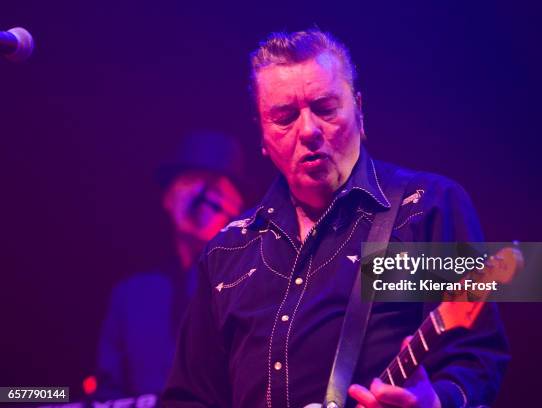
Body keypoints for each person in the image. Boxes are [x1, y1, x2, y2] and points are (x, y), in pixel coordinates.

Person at [162, 30, 509, 408]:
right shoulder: (228, 251)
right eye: (284, 117)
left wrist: (438, 401)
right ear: (262, 134)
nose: (309, 130)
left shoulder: (426, 208)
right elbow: (190, 397)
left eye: (325, 108)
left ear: (359, 110)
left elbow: (476, 358)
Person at [95, 132, 245, 400]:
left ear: (237, 207)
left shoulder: (252, 287)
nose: (202, 195)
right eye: (191, 181)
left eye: (217, 186)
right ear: (167, 198)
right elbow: (109, 390)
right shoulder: (130, 295)